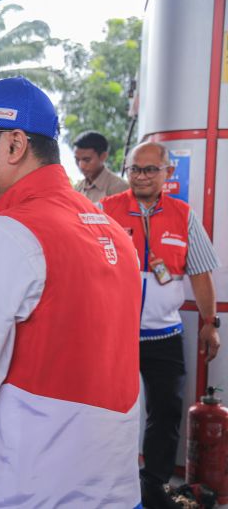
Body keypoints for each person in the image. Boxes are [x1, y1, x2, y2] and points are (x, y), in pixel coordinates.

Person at [0, 76, 142, 507]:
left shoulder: (6, 233)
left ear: (14, 145)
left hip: (30, 486)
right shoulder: (110, 229)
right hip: (112, 485)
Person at [100, 141, 221, 509]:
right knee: (106, 410)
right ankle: (104, 481)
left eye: (150, 169)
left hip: (164, 334)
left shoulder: (184, 215)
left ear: (168, 174)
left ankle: (153, 484)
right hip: (113, 336)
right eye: (135, 169)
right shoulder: (106, 210)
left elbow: (200, 274)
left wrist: (210, 323)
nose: (141, 176)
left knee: (165, 412)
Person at [73, 130, 129, 202]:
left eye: (87, 160)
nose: (81, 166)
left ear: (103, 156)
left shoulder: (119, 188)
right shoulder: (78, 188)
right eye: (77, 160)